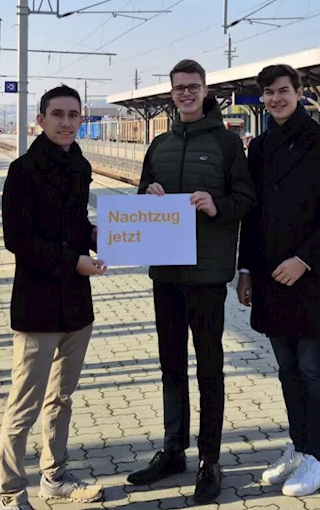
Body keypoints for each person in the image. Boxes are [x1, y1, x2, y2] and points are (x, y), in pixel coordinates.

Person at [126, 59, 256, 504]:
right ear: (171, 92)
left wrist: (217, 204)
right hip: (165, 274)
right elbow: (142, 193)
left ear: (205, 91)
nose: (186, 94)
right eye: (179, 88)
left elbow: (246, 199)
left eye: (193, 87)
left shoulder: (227, 143)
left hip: (206, 276)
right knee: (170, 367)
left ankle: (209, 460)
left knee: (210, 369)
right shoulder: (158, 144)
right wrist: (149, 195)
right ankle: (173, 450)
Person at [237, 64, 320, 497]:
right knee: (287, 370)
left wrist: (303, 260)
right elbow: (251, 215)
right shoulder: (260, 147)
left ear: (300, 93)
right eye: (268, 93)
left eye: (282, 91)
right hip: (267, 276)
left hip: (307, 277)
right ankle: (299, 447)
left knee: (313, 367)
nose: (275, 99)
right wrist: (245, 269)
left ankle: (319, 459)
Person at [0, 85, 107, 510]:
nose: (66, 122)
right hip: (37, 305)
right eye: (57, 114)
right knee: (24, 404)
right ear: (40, 120)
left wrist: (102, 237)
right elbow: (17, 239)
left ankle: (55, 477)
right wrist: (72, 261)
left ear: (82, 120)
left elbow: (77, 223)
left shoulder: (80, 166)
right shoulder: (22, 170)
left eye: (73, 115)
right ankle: (11, 493)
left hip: (77, 305)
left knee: (61, 398)